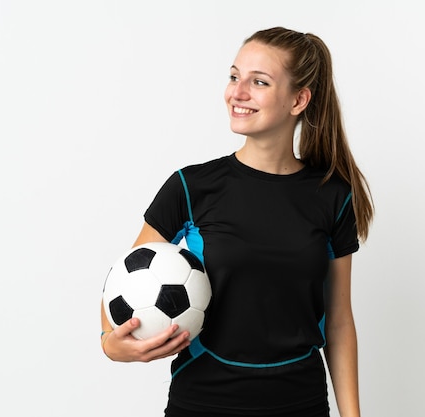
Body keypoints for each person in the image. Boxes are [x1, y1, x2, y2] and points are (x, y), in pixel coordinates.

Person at [100, 26, 374, 417]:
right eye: (233, 76)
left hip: (301, 403)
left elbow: (339, 321)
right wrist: (111, 343)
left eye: (258, 82)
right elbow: (125, 282)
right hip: (203, 403)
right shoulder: (191, 187)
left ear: (299, 99)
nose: (237, 92)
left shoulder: (333, 195)